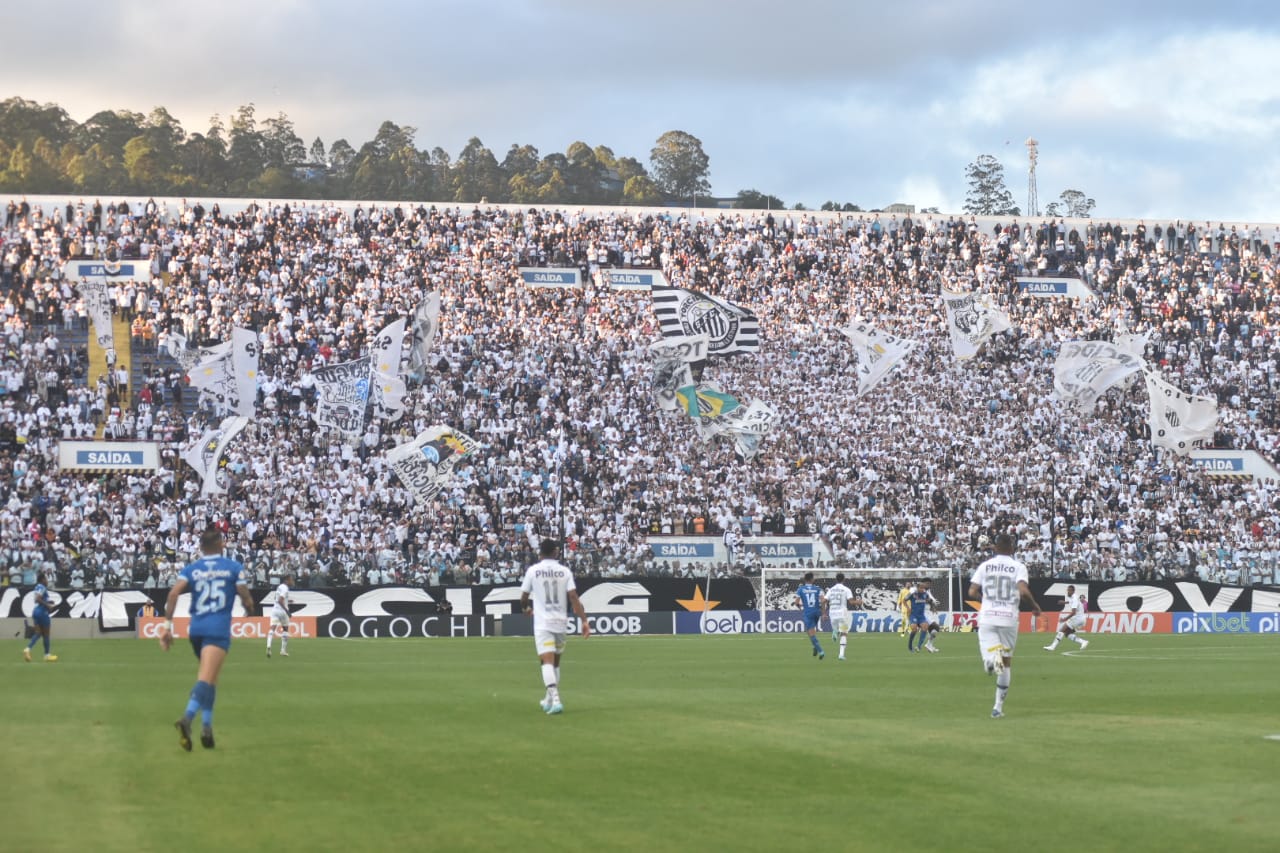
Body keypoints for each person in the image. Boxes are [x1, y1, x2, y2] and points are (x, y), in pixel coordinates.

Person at [158, 528, 254, 751]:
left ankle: (207, 729)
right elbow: (244, 592)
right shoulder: (233, 567)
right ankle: (187, 719)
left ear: (201, 548)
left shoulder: (193, 568)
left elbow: (173, 594)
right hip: (217, 629)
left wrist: (166, 627)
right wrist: (249, 606)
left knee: (211, 677)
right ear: (221, 545)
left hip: (196, 629)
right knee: (205, 679)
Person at [968, 533, 1042, 719]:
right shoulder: (1018, 567)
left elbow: (972, 591)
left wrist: (985, 600)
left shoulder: (985, 566)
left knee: (995, 659)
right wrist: (1034, 606)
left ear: (995, 547)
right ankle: (997, 707)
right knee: (1006, 662)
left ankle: (991, 660)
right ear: (1012, 548)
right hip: (1008, 618)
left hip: (988, 616)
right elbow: (1023, 591)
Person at [519, 539, 589, 716]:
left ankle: (556, 699)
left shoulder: (533, 571)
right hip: (560, 622)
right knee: (555, 663)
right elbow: (573, 597)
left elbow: (524, 596)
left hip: (543, 623)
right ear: (556, 553)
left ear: (540, 553)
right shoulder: (564, 571)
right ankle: (548, 699)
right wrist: (584, 621)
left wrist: (526, 609)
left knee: (546, 662)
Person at [823, 573, 862, 661]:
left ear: (836, 580)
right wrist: (858, 602)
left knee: (836, 629)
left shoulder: (831, 590)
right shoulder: (846, 589)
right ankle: (841, 654)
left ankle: (835, 631)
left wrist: (824, 614)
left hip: (832, 613)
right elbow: (851, 602)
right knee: (844, 633)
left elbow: (823, 601)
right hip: (842, 614)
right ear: (844, 580)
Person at [1044, 585, 1090, 651]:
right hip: (1082, 619)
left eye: (1069, 590)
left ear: (1073, 591)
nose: (1067, 591)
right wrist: (1064, 602)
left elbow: (1073, 612)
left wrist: (1064, 619)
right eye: (1067, 590)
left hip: (1077, 619)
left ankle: (1052, 647)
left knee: (1061, 630)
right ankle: (1083, 642)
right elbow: (1072, 602)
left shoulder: (1074, 598)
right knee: (1067, 634)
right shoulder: (1074, 597)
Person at [23, 574, 57, 662]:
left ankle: (27, 649)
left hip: (36, 612)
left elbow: (37, 599)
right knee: (46, 634)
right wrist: (48, 605)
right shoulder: (42, 587)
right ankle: (47, 655)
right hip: (42, 612)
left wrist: (47, 602)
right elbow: (38, 599)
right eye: (45, 579)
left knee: (38, 633)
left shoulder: (37, 587)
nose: (47, 581)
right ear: (42, 579)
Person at [793, 572, 825, 660]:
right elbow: (823, 601)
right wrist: (823, 613)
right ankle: (814, 646)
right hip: (817, 612)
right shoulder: (818, 589)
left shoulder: (801, 589)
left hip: (808, 613)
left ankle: (821, 651)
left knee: (810, 633)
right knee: (812, 630)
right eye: (813, 578)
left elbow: (796, 602)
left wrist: (800, 607)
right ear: (811, 579)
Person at [906, 580, 940, 653]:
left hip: (922, 615)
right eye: (921, 588)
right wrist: (908, 608)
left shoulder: (925, 594)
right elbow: (904, 600)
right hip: (914, 615)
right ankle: (910, 645)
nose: (922, 589)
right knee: (914, 629)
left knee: (928, 627)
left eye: (923, 588)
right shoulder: (913, 593)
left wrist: (933, 607)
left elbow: (930, 600)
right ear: (917, 588)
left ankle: (920, 646)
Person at [267, 574, 293, 658]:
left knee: (272, 629)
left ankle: (268, 646)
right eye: (290, 580)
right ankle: (283, 650)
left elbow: (279, 598)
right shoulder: (285, 588)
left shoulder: (279, 587)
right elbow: (280, 600)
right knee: (285, 629)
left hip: (275, 610)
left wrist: (288, 600)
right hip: (282, 612)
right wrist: (287, 611)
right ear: (286, 580)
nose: (291, 581)